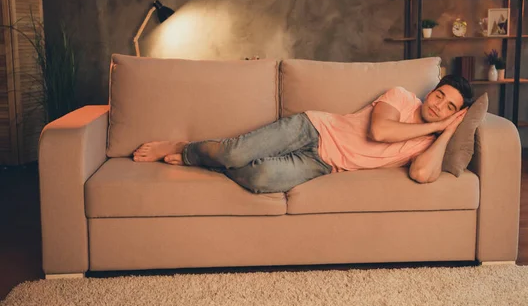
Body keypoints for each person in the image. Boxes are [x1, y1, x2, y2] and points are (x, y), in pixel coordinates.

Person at [133, 74, 474, 193]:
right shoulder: (402, 97)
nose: (439, 106)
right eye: (439, 96)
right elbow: (380, 131)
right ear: (432, 91)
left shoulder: (429, 143)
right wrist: (435, 125)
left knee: (260, 178)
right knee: (233, 154)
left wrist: (445, 133)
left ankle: (207, 160)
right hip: (313, 129)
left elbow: (421, 174)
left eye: (449, 108)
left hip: (324, 164)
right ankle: (188, 148)